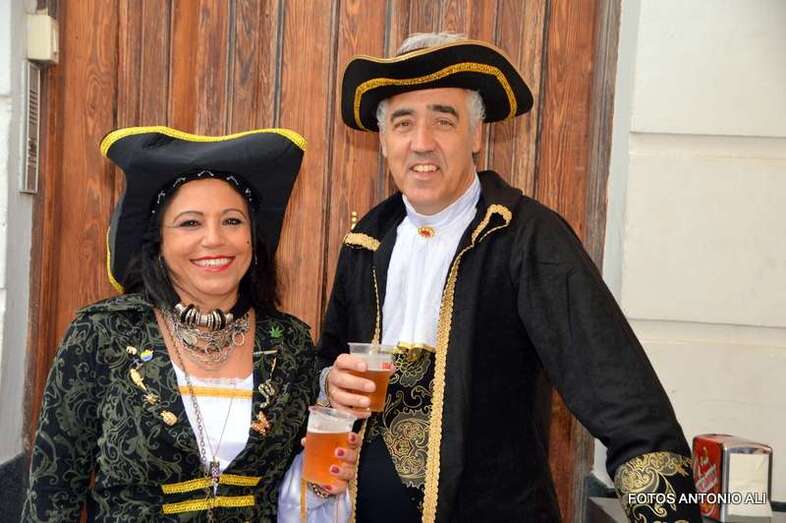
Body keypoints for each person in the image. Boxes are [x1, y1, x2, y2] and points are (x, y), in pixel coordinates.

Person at [317, 33, 702, 522]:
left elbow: (619, 392)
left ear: (477, 136)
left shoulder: (528, 237)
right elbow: (326, 363)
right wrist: (330, 383)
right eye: (403, 122)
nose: (422, 142)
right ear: (384, 140)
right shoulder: (366, 241)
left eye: (443, 120)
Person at [23, 127, 357, 522]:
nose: (214, 239)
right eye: (190, 223)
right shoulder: (103, 333)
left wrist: (324, 480)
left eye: (232, 221)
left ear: (252, 238)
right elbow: (52, 494)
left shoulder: (289, 342)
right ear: (158, 244)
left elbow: (298, 484)